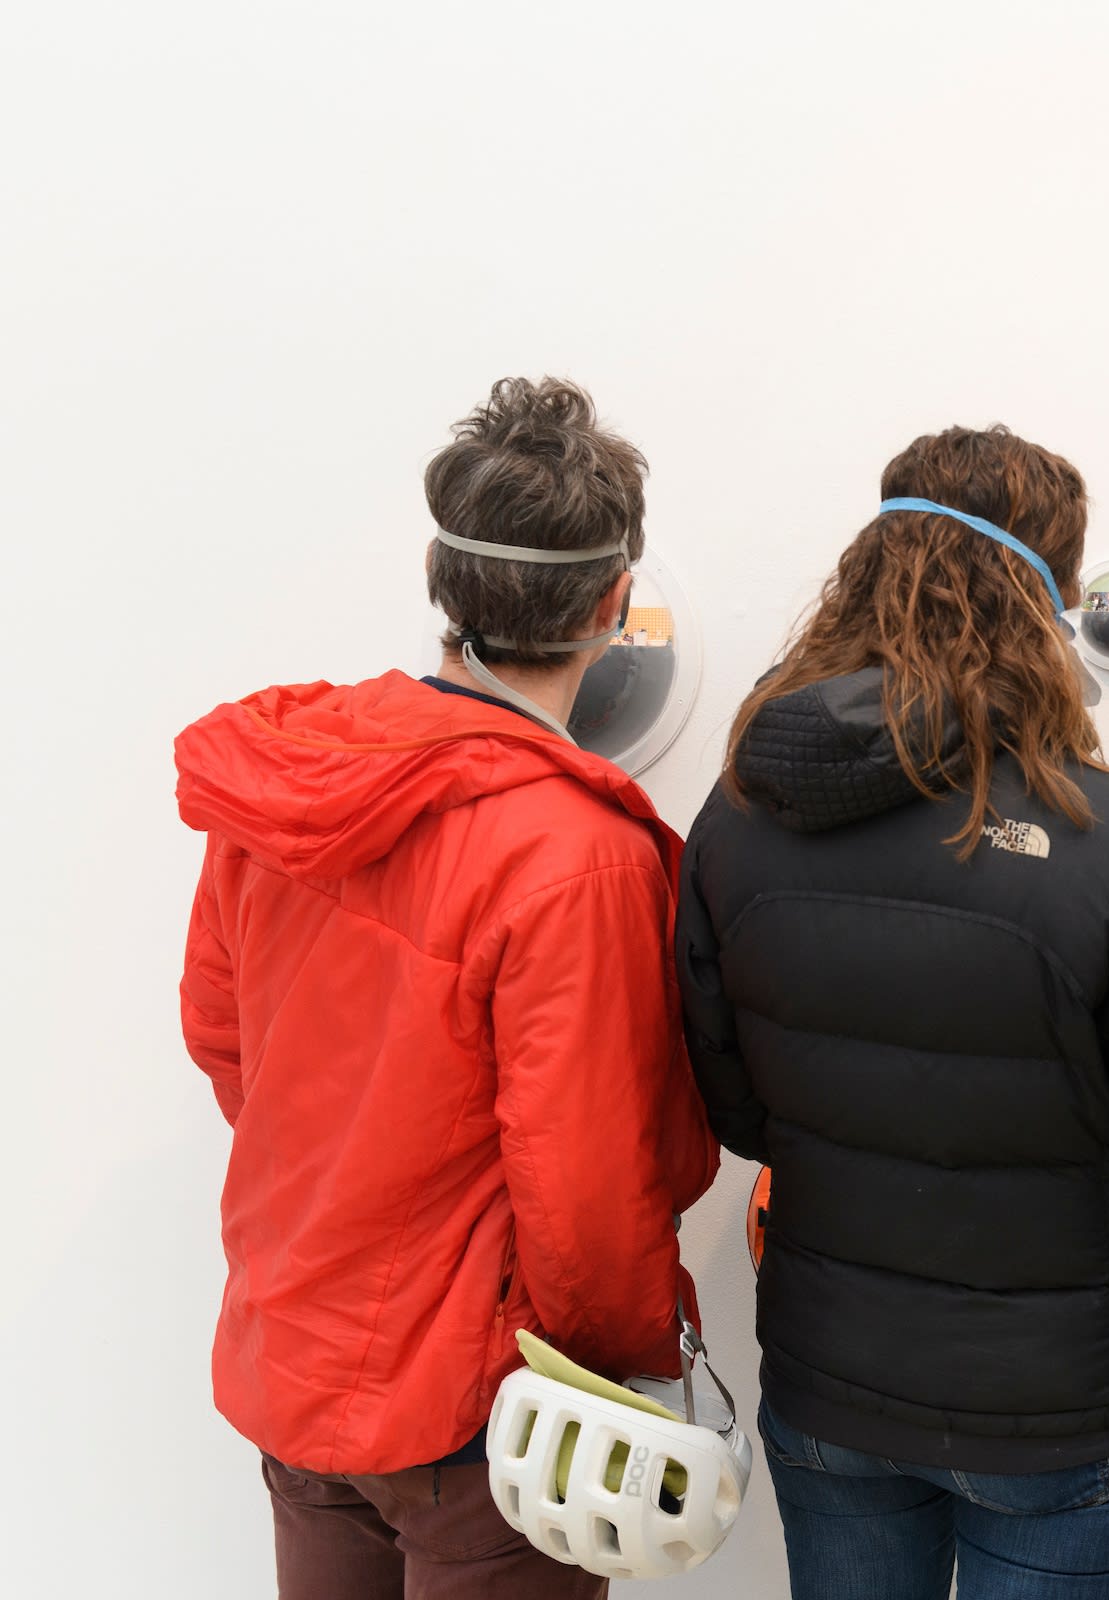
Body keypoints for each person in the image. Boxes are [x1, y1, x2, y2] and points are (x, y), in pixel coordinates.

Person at [679, 425, 1109, 1600]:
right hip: (1060, 1405)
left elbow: (737, 1104)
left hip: (832, 1380)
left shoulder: (738, 816)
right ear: (1048, 602)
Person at [174, 377, 720, 1598]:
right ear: (615, 602)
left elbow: (224, 1039)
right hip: (484, 1415)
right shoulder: (577, 854)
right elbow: (588, 1181)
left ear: (444, 582)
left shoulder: (288, 778)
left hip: (294, 1356)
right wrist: (619, 1371)